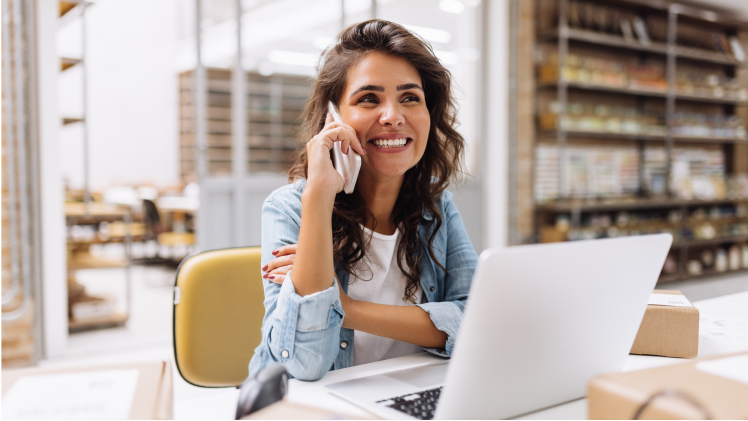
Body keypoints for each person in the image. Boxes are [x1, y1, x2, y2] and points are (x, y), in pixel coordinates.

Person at [248, 19, 478, 381]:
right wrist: (319, 195)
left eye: (410, 98)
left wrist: (347, 308)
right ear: (333, 118)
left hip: (405, 395)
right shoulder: (291, 208)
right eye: (369, 98)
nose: (393, 116)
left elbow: (477, 323)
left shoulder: (436, 206)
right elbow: (304, 365)